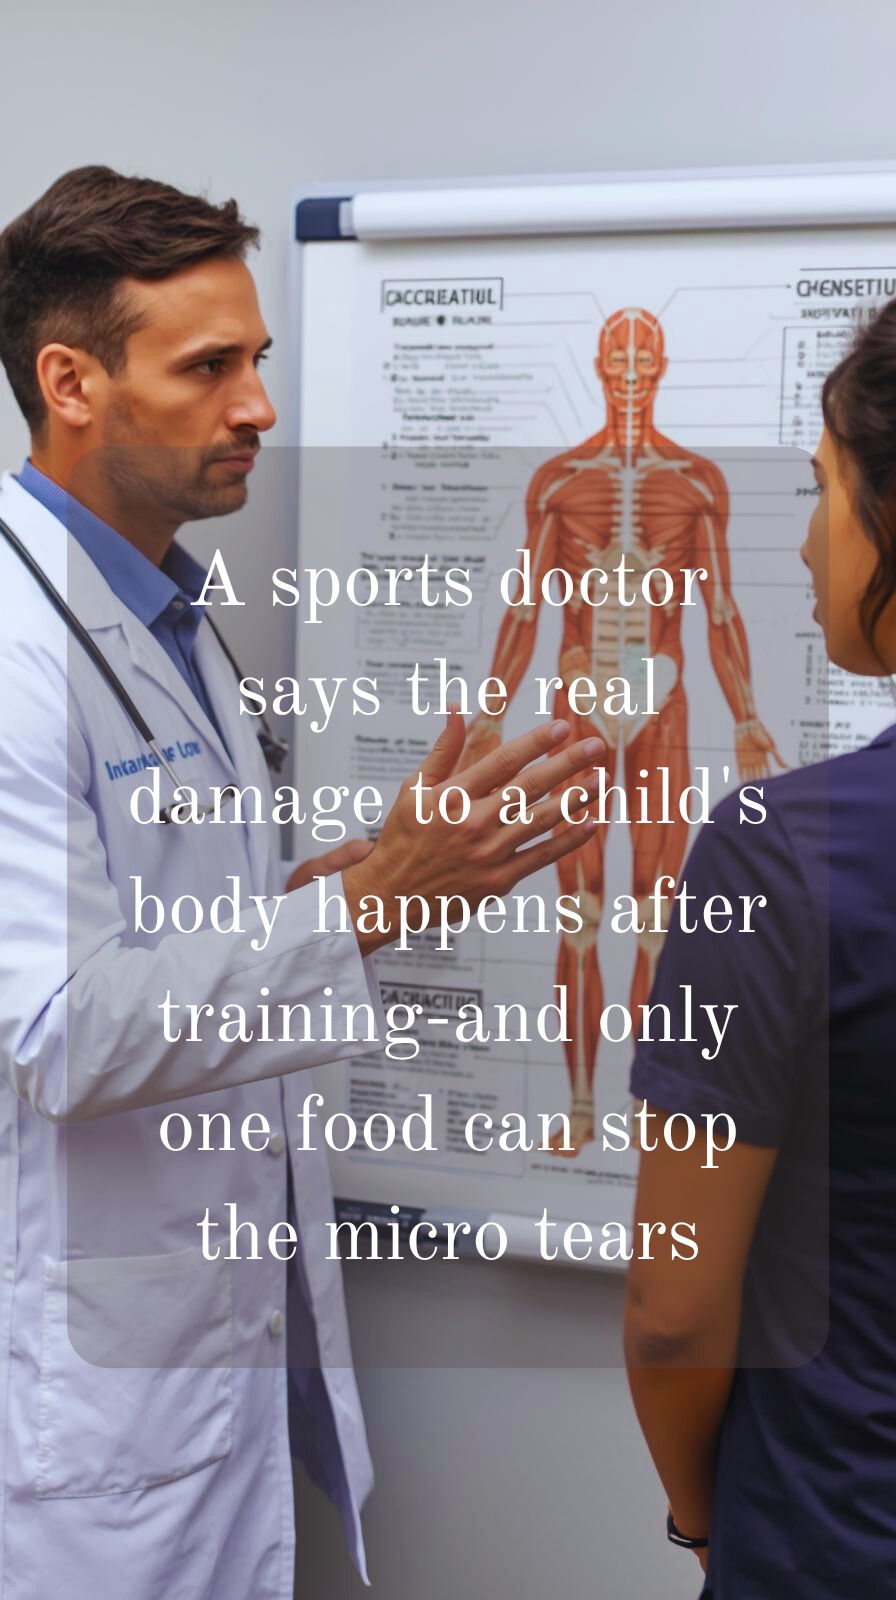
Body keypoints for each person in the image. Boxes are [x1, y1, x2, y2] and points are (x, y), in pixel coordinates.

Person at [0, 166, 604, 1600]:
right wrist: (368, 904)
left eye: (257, 360)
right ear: (71, 383)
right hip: (91, 1411)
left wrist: (354, 878)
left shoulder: (170, 615)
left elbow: (164, 918)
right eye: (208, 368)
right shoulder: (16, 649)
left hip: (210, 1343)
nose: (260, 406)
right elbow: (57, 1032)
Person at [624, 299, 896, 1596]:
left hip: (841, 1532)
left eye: (824, 490)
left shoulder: (780, 853)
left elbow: (673, 1308)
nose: (805, 539)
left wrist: (701, 1520)